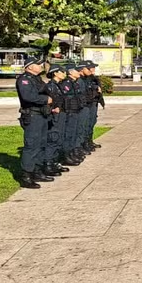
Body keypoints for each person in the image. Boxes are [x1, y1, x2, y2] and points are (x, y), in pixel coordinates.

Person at [15, 57, 53, 189]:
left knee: (41, 144)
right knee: (31, 145)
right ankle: (26, 176)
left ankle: (37, 171)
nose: (40, 66)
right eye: (37, 64)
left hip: (42, 115)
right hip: (32, 115)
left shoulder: (36, 79)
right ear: (30, 66)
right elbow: (28, 96)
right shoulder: (24, 79)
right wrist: (45, 99)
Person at [43, 65, 70, 176]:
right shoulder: (50, 86)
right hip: (55, 116)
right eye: (62, 72)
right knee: (53, 138)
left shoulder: (58, 86)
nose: (64, 74)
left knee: (59, 139)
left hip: (61, 115)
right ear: (55, 73)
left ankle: (54, 162)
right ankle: (48, 164)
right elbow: (48, 102)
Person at [60, 64, 85, 165]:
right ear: (70, 72)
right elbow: (65, 97)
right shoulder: (67, 83)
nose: (79, 72)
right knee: (69, 134)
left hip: (75, 111)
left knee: (73, 133)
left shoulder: (74, 83)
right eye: (76, 71)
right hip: (69, 112)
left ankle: (71, 153)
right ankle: (66, 155)